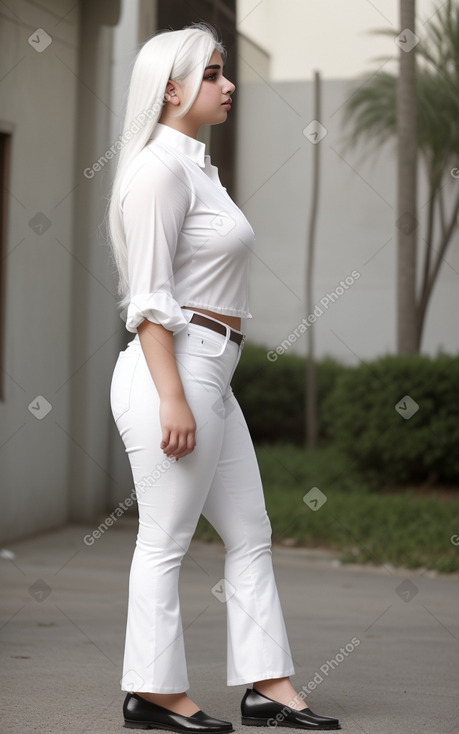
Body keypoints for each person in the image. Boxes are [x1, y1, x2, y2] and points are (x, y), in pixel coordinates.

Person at [107, 21, 340, 733]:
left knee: (250, 532)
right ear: (171, 89)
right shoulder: (157, 171)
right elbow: (146, 300)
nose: (227, 82)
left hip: (211, 371)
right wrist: (172, 397)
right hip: (172, 372)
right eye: (212, 73)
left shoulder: (197, 167)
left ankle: (268, 686)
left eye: (222, 71)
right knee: (165, 539)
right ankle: (152, 693)